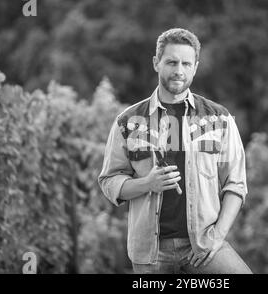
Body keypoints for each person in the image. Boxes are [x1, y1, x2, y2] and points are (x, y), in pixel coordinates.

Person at [98, 28, 252, 274]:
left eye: (186, 63)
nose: (179, 70)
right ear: (156, 63)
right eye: (171, 62)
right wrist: (148, 183)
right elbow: (109, 181)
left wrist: (218, 236)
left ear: (196, 67)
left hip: (203, 246)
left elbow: (236, 184)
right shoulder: (128, 121)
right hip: (150, 251)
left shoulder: (219, 118)